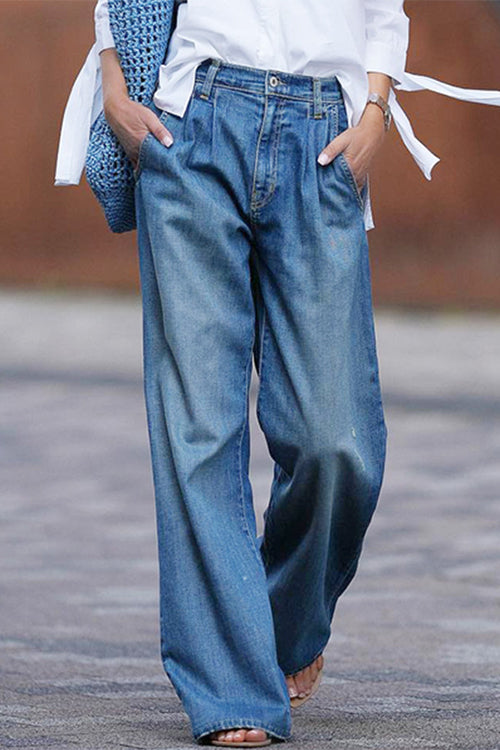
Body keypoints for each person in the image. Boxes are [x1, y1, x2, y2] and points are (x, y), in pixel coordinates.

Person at [54, 1, 500, 747]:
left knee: (338, 440)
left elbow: (383, 9)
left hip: (323, 135)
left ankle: (284, 625)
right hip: (192, 123)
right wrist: (113, 88)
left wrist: (376, 112)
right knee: (198, 428)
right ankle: (232, 689)